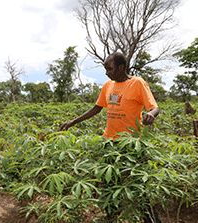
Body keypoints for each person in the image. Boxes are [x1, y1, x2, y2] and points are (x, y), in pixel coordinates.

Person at [60, 52, 161, 223]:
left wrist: (151, 115)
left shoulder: (138, 83)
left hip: (131, 143)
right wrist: (72, 122)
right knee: (108, 185)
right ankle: (111, 217)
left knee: (139, 185)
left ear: (121, 67)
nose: (107, 72)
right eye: (105, 68)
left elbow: (155, 107)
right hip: (110, 142)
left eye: (110, 68)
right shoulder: (108, 85)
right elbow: (96, 108)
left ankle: (151, 220)